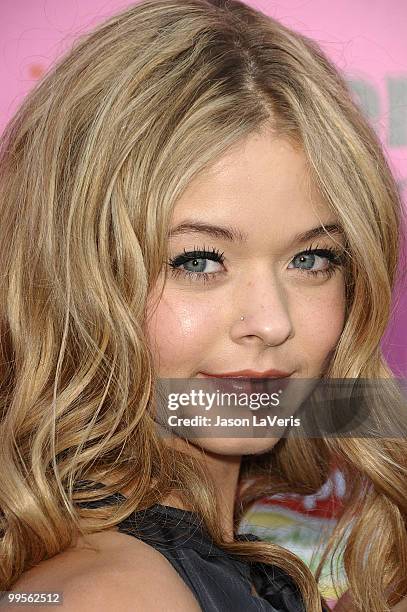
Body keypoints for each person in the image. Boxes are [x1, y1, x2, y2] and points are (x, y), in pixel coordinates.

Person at [0, 0, 406, 610]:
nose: (272, 322)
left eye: (312, 260)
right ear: (72, 276)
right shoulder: (116, 595)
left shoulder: (186, 572)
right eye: (199, 261)